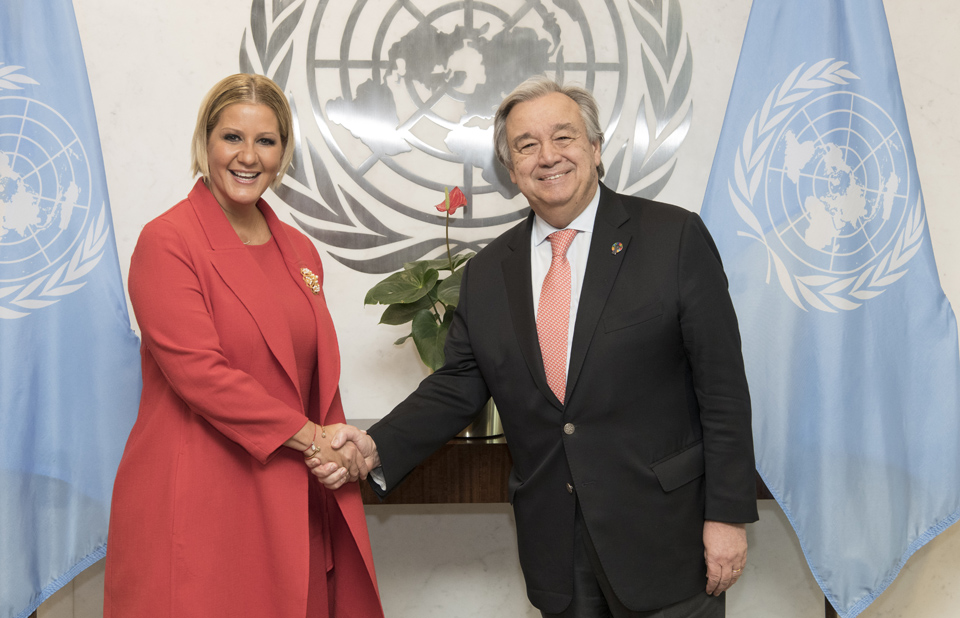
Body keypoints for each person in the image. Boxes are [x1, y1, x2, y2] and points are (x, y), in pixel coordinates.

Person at [320, 76, 758, 617]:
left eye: (564, 137)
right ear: (511, 170)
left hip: (667, 540)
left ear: (595, 148)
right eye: (526, 145)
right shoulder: (488, 273)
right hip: (557, 549)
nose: (547, 156)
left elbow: (723, 391)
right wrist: (374, 446)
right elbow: (457, 386)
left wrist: (726, 517)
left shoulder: (674, 238)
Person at [105, 74, 384, 618]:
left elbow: (310, 376)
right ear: (205, 142)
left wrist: (336, 447)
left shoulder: (299, 249)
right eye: (232, 137)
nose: (248, 156)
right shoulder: (168, 241)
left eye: (266, 141)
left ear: (283, 153)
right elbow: (201, 375)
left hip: (289, 490)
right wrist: (315, 440)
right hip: (200, 497)